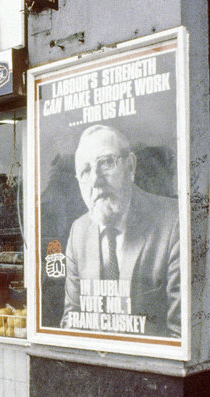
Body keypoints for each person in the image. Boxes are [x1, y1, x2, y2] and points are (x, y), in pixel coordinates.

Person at [61, 125, 180, 338]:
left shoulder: (173, 221)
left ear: (131, 166)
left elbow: (180, 333)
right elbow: (72, 323)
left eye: (106, 162)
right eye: (86, 171)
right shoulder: (78, 231)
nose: (96, 181)